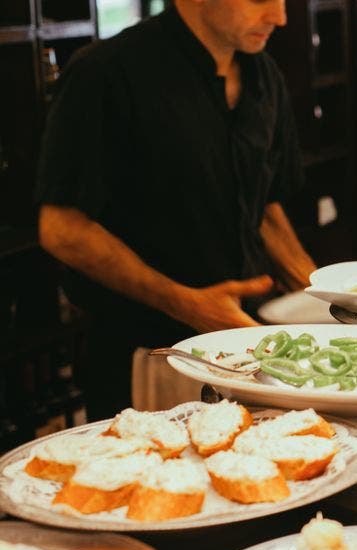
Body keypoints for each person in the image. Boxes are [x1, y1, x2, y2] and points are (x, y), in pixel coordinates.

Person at [36, 0, 316, 420]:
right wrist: (185, 303)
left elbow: (265, 207)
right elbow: (62, 229)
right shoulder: (106, 72)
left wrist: (325, 300)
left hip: (249, 347)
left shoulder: (265, 76)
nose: (279, 17)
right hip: (149, 356)